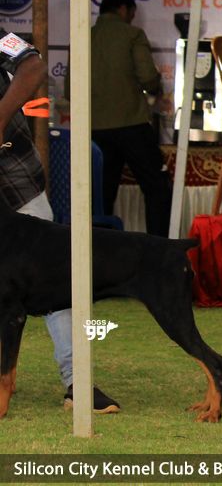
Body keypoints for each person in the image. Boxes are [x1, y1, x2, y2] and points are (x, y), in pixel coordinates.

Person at [0, 30, 120, 413]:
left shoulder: (1, 38)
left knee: (57, 281)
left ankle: (77, 382)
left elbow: (33, 67)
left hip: (17, 185)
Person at [86, 0, 171, 236]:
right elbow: (148, 78)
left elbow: (71, 89)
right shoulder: (133, 34)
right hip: (132, 124)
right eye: (132, 14)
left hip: (95, 129)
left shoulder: (83, 36)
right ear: (123, 9)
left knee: (101, 196)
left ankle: (99, 248)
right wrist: (155, 87)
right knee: (156, 188)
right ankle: (158, 246)